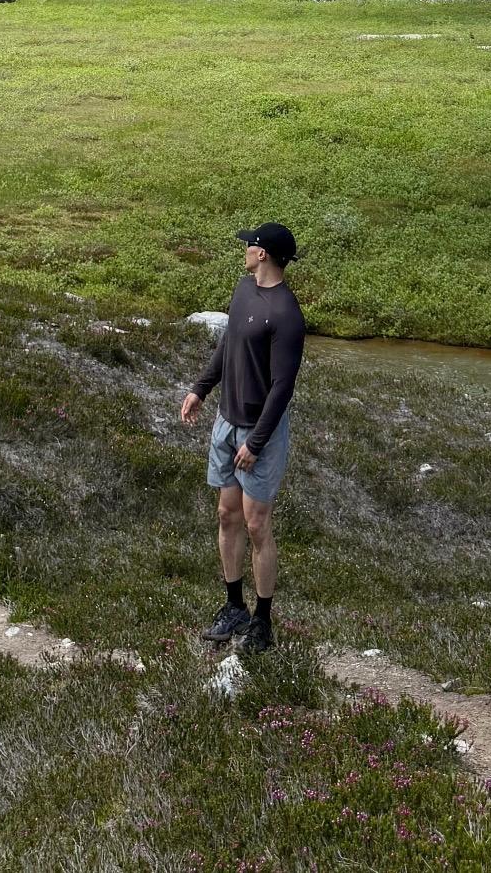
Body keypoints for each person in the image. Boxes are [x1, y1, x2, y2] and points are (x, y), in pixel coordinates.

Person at [181, 221, 305, 656]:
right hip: (225, 421)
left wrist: (256, 443)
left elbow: (282, 387)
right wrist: (201, 388)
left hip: (258, 432)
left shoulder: (287, 315)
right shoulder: (242, 289)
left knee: (256, 524)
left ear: (264, 254)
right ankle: (233, 605)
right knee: (226, 514)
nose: (245, 250)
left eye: (250, 246)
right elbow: (229, 344)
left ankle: (262, 619)